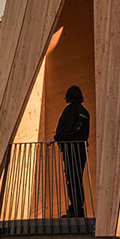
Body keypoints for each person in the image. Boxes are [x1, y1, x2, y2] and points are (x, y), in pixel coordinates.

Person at [47, 85, 90, 218]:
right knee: (78, 178)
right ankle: (79, 207)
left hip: (71, 149)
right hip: (81, 149)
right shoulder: (85, 112)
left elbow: (65, 128)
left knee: (71, 179)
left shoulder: (70, 110)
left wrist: (54, 139)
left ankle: (75, 209)